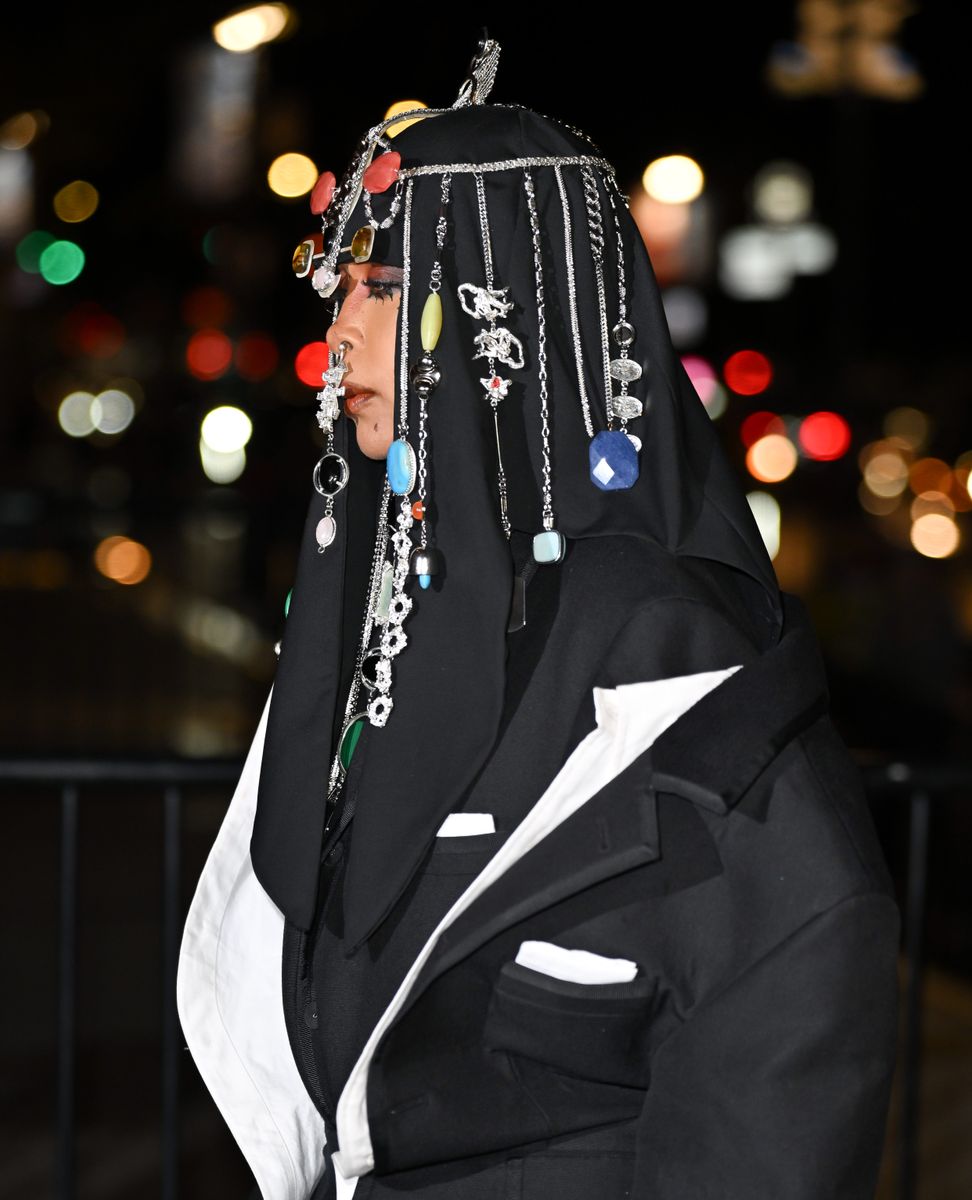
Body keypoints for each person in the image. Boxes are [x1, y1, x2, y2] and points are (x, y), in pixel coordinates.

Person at [176, 38, 900, 1200]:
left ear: (501, 311)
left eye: (386, 287)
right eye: (344, 290)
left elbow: (794, 1003)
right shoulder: (393, 604)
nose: (344, 337)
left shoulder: (670, 649)